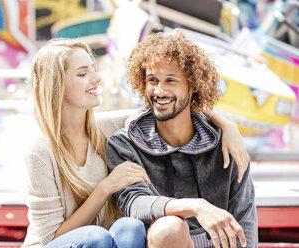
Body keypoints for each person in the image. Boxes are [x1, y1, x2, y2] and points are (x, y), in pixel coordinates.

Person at [22, 38, 251, 248]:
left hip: (103, 240)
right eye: (83, 73)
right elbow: (49, 237)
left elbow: (171, 106)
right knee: (97, 237)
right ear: (56, 84)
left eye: (93, 69)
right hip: (57, 244)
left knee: (130, 227)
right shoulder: (40, 151)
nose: (97, 78)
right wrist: (106, 187)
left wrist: (225, 124)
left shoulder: (106, 128)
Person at [106, 30, 258, 248]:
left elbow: (244, 219)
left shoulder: (225, 142)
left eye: (170, 80)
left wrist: (225, 124)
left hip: (222, 243)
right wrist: (196, 206)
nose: (159, 90)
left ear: (193, 85)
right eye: (152, 80)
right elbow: (134, 203)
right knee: (169, 228)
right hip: (167, 241)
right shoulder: (125, 144)